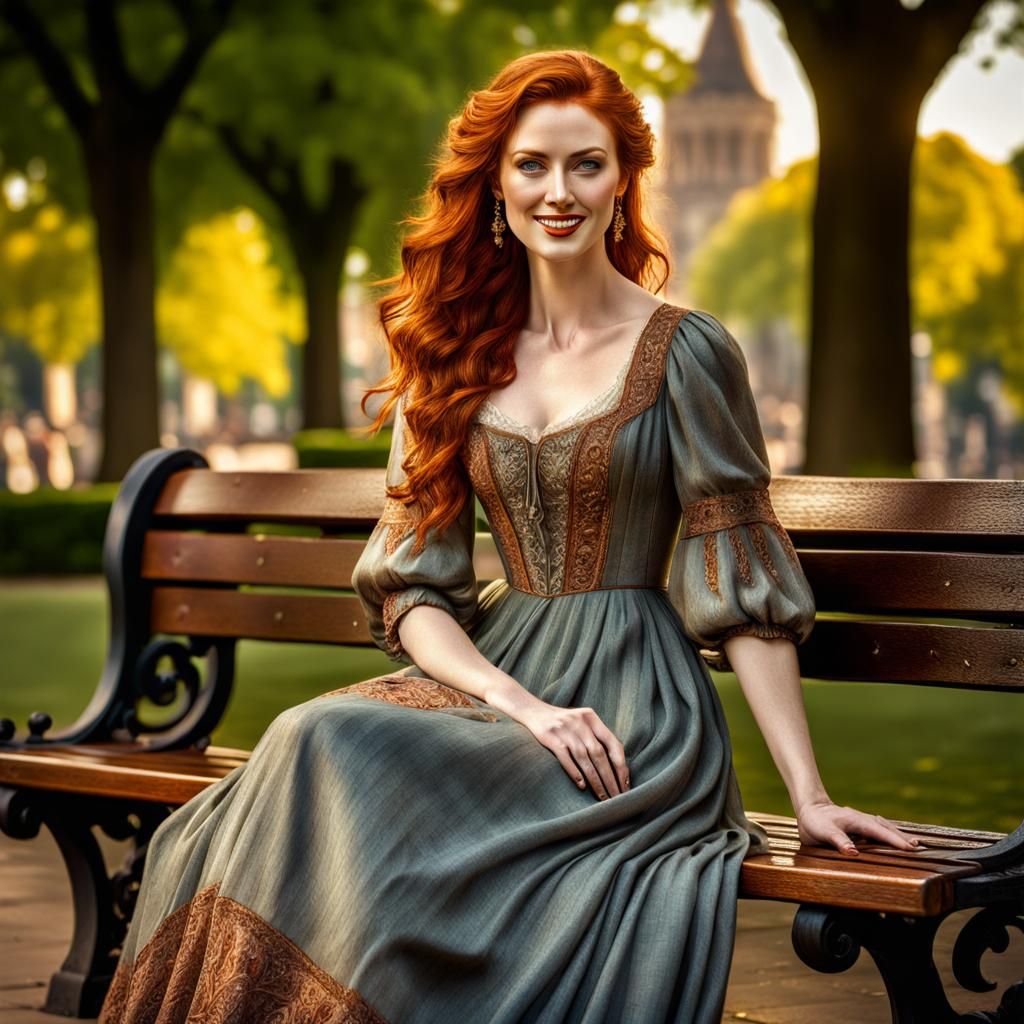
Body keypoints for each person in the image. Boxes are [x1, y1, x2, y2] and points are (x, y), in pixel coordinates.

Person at [99, 50, 920, 1024]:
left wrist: (808, 794)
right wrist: (519, 703)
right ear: (495, 182)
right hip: (497, 678)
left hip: (634, 712)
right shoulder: (450, 357)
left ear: (623, 180)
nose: (557, 191)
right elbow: (414, 590)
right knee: (313, 741)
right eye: (532, 165)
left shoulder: (686, 351)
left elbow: (741, 580)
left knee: (328, 744)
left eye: (586, 164)